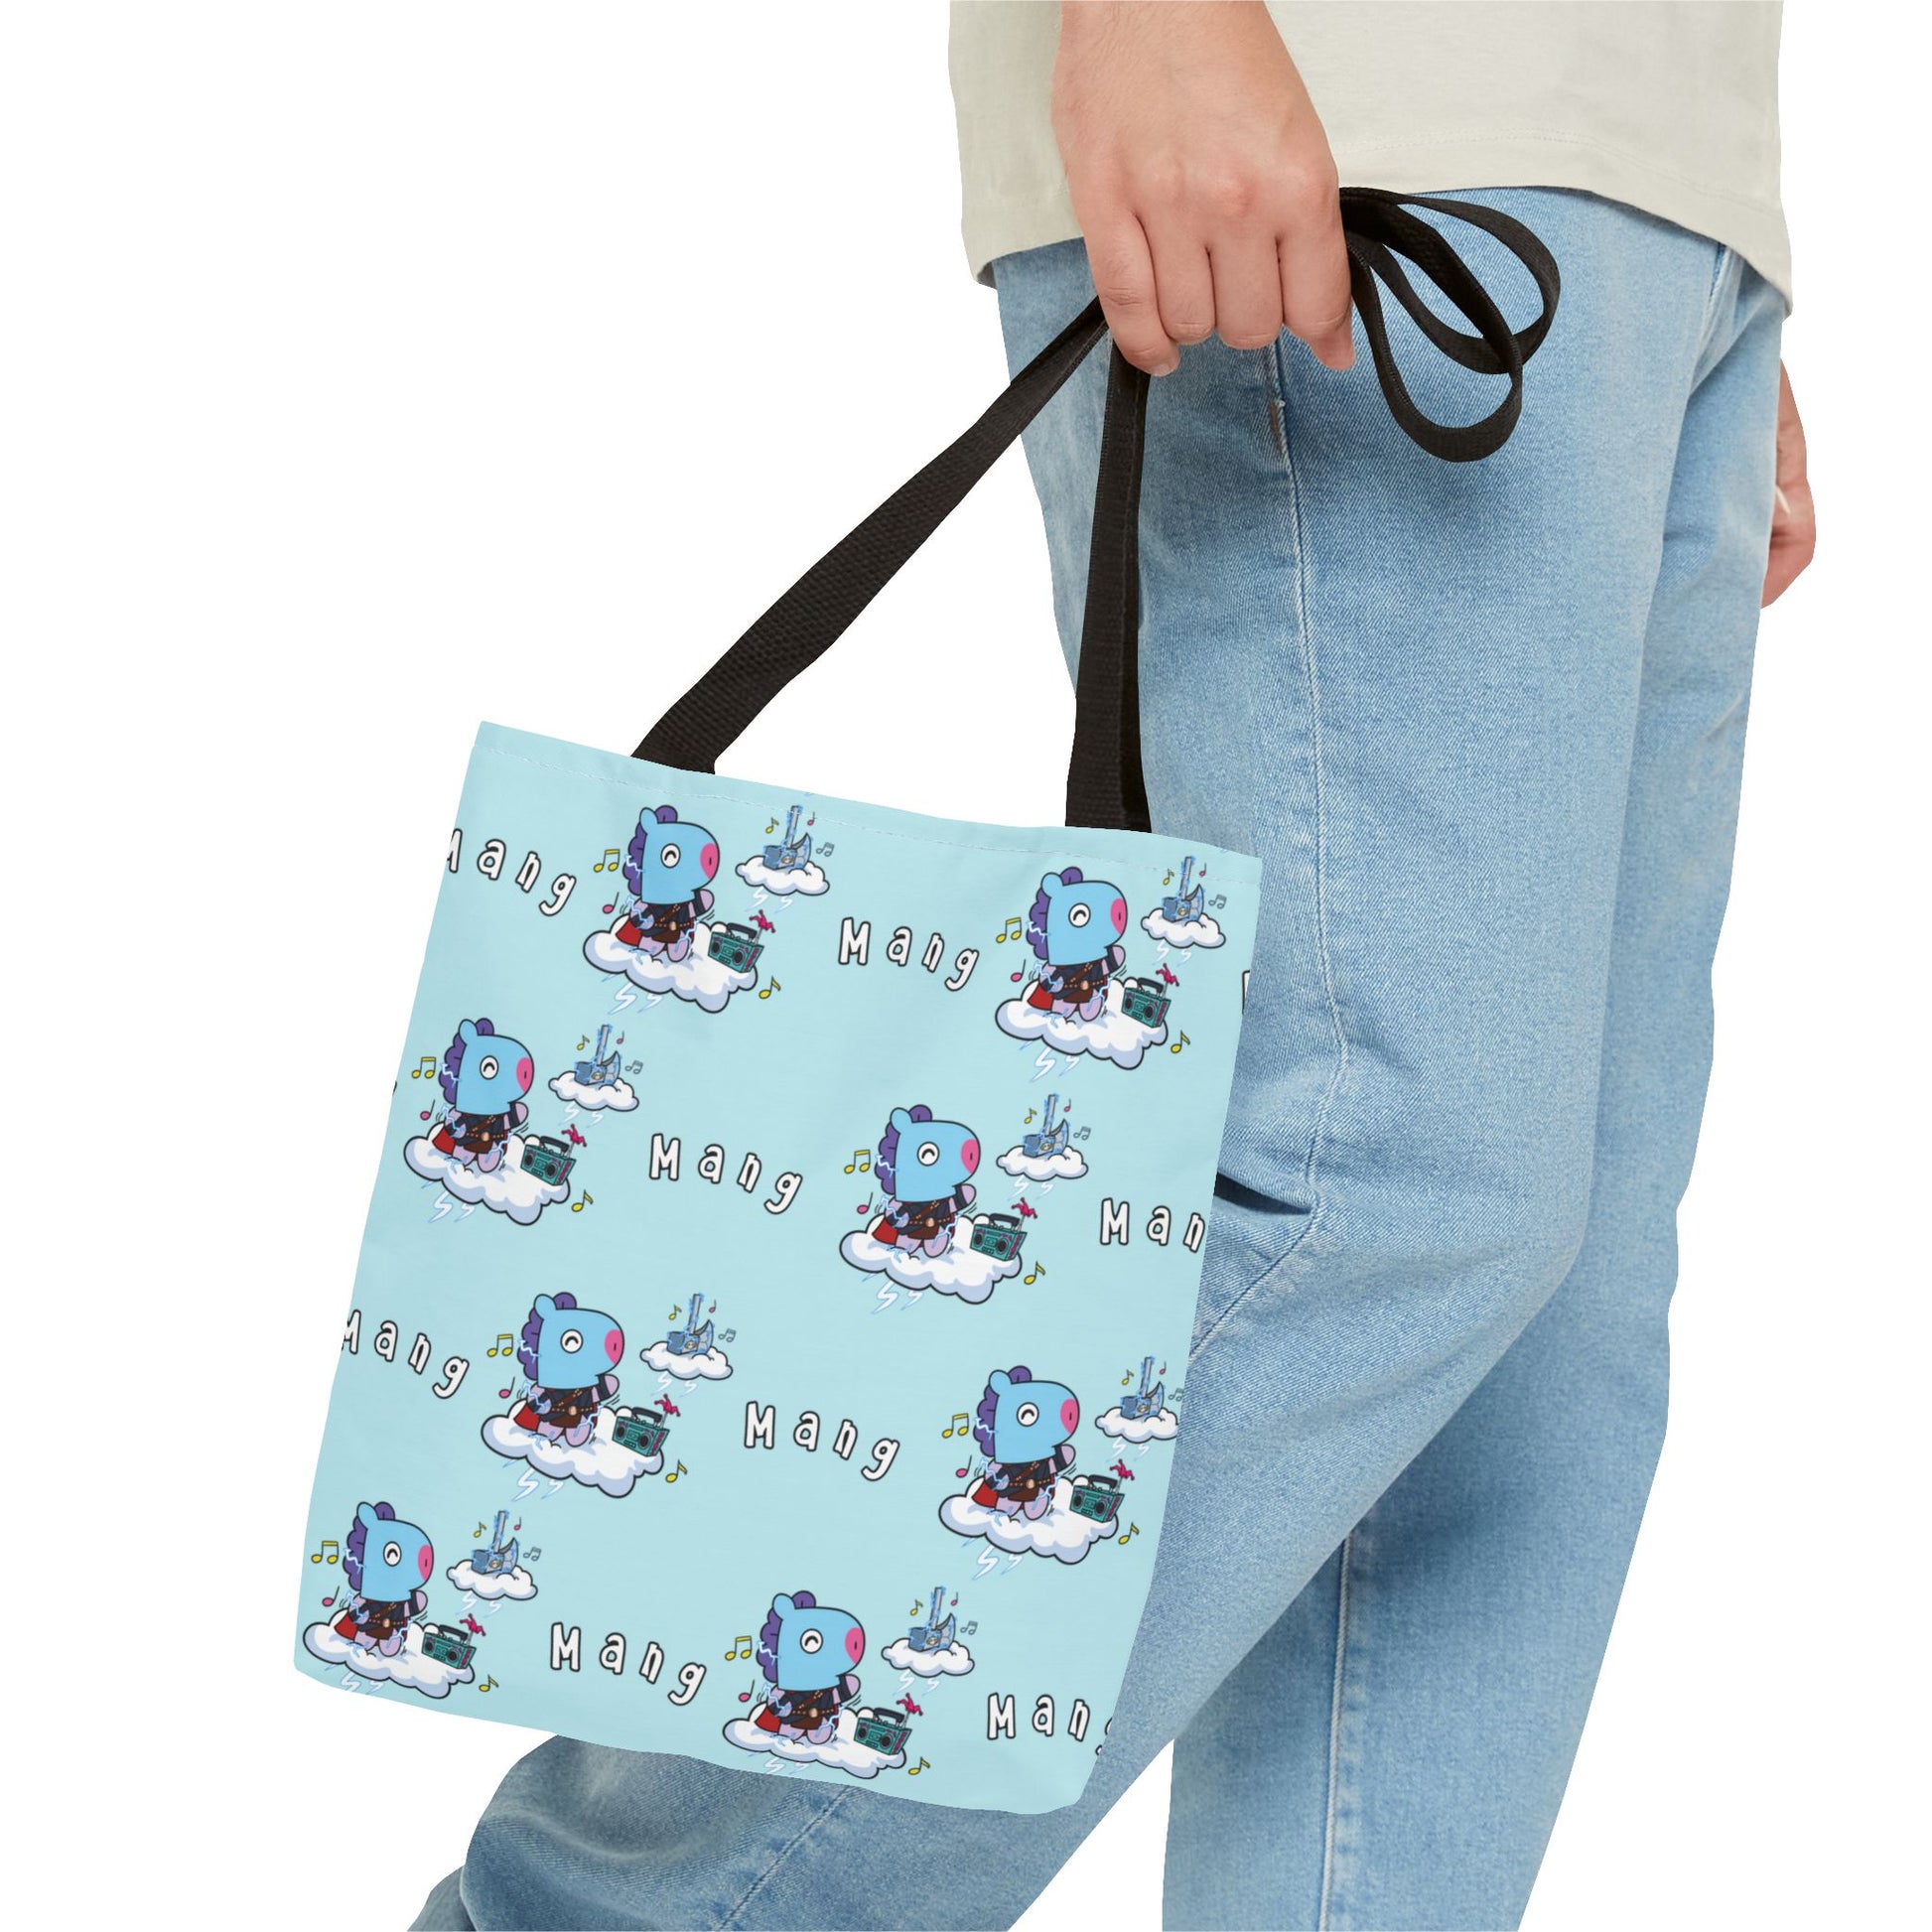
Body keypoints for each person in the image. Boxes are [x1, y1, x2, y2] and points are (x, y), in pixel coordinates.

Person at [415, 4, 1814, 1926]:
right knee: (1371, 1192)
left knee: (1534, 1348)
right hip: (1359, 115)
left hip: (1641, 189)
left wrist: (1699, 233)